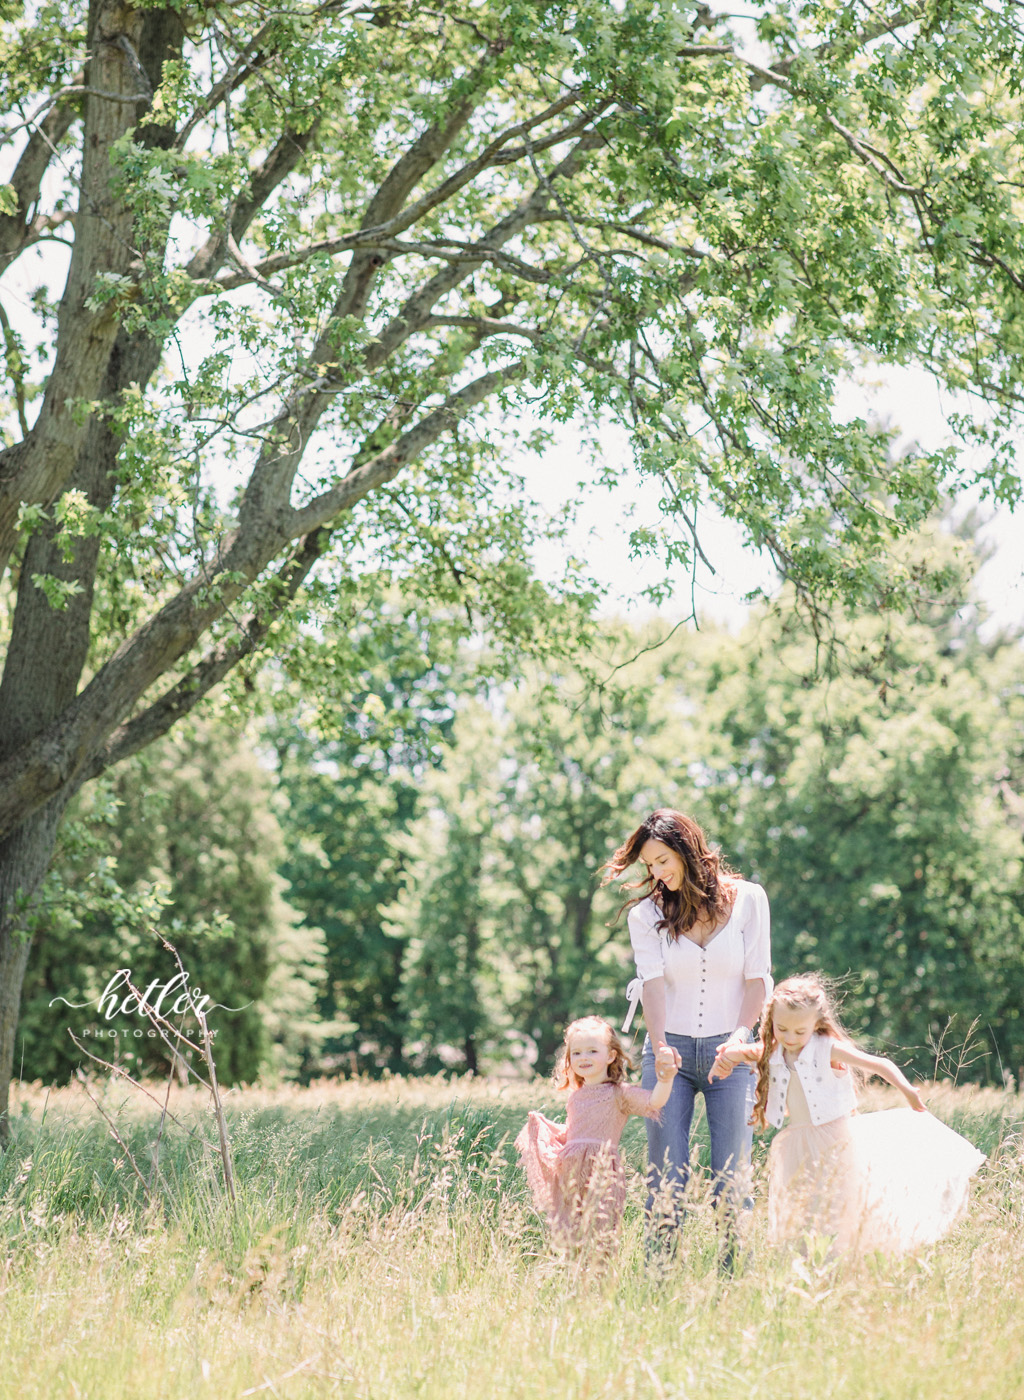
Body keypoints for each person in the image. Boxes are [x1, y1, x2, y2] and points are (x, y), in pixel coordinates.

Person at [710, 973, 986, 1255]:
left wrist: (907, 1090)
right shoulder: (772, 1050)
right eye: (782, 1029)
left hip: (836, 1141)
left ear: (816, 1025)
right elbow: (738, 1053)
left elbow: (880, 1064)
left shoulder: (827, 1048)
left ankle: (841, 1265)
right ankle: (808, 1271)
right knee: (804, 1213)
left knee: (840, 1210)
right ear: (771, 1022)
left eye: (799, 1032)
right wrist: (724, 1060)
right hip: (797, 1144)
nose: (790, 1038)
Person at [602, 809, 772, 1246]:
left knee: (731, 1180)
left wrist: (740, 1036)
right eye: (649, 866)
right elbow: (653, 986)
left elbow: (758, 979)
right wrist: (659, 1047)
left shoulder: (750, 899)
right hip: (668, 1054)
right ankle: (658, 1282)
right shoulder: (646, 915)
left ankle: (734, 1283)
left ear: (686, 849)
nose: (657, 872)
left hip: (730, 1056)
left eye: (663, 860)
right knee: (664, 1180)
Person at [515, 1016, 680, 1251]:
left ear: (611, 1055)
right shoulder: (576, 1095)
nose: (584, 1058)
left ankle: (599, 1281)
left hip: (601, 1170)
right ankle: (576, 1281)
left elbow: (654, 1101)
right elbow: (577, 1133)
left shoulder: (618, 1094)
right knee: (570, 1232)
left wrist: (666, 1078)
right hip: (571, 1170)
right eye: (577, 1053)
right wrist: (548, 1131)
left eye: (592, 1051)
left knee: (600, 1231)